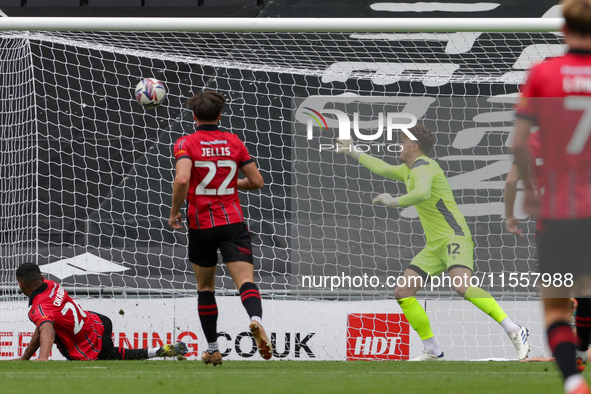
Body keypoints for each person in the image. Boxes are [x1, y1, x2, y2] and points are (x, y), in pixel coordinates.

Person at [336, 124, 530, 361]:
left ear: (414, 147)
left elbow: (423, 193)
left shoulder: (425, 167)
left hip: (453, 237)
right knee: (403, 291)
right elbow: (383, 168)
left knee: (461, 285)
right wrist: (354, 151)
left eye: (403, 142)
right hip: (434, 246)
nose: (400, 146)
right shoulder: (408, 169)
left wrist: (394, 201)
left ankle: (514, 329)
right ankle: (433, 350)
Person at [512, 0, 591, 392]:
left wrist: (528, 193)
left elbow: (517, 144)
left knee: (556, 308)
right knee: (589, 291)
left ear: (563, 30)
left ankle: (574, 380)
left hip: (558, 213)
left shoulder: (544, 73)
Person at [168, 90, 272, 366]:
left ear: (194, 117)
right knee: (246, 282)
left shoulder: (186, 143)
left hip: (201, 225)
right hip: (233, 222)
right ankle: (255, 320)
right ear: (220, 115)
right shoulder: (233, 142)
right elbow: (257, 181)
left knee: (205, 288)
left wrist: (174, 211)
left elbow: (182, 180)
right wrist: (227, 184)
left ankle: (213, 348)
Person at [15, 262, 187, 361]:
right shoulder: (53, 285)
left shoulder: (38, 309)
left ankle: (156, 351)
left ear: (21, 285)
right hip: (100, 323)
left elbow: (46, 329)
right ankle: (157, 350)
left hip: (86, 344)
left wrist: (43, 357)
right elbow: (44, 326)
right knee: (110, 354)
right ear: (42, 278)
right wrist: (26, 357)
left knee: (110, 355)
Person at [504, 131, 543, 239]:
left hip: (548, 222)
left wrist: (509, 216)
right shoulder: (585, 137)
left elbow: (511, 181)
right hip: (583, 216)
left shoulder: (535, 139)